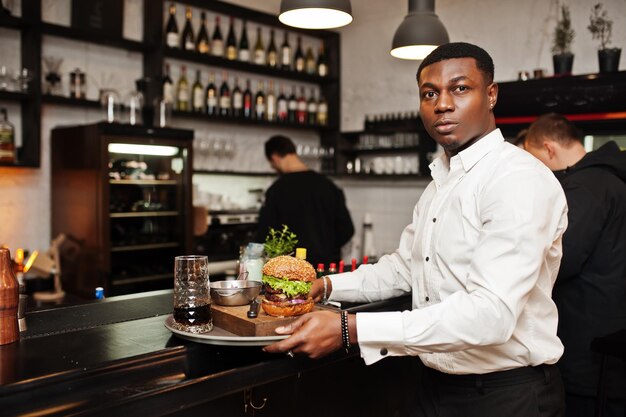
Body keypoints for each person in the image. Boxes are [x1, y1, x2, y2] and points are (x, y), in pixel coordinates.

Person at [264, 42, 569, 417]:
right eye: (429, 93)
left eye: (460, 88)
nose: (442, 104)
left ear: (491, 95)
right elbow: (404, 267)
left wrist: (351, 329)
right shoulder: (439, 184)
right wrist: (325, 285)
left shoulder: (517, 179)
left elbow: (490, 314)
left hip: (506, 395)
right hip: (433, 386)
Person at [524, 113, 626, 417]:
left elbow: (562, 261)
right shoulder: (612, 179)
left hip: (588, 342)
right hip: (612, 328)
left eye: (535, 160)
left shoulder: (584, 188)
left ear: (549, 149)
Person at [256, 135, 354, 267]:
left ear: (274, 158)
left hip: (291, 274)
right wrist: (326, 248)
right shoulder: (328, 186)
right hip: (325, 270)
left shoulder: (276, 191)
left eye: (272, 165)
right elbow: (347, 230)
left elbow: (264, 236)